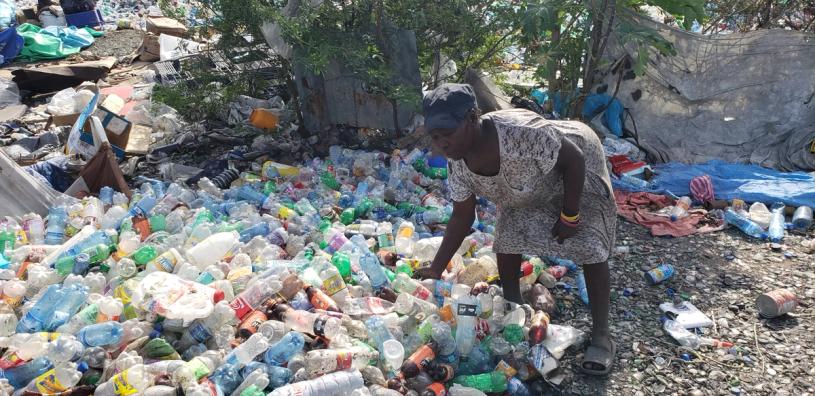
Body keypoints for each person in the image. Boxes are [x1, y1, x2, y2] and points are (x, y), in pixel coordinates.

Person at [415, 83, 617, 375]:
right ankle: (514, 308)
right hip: (526, 184)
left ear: (472, 118)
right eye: (435, 137)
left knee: (589, 243)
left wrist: (570, 215)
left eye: (447, 134)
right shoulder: (457, 163)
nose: (442, 144)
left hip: (575, 165)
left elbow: (574, 159)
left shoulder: (520, 134)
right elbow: (462, 216)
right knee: (508, 233)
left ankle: (601, 335)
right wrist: (436, 268)